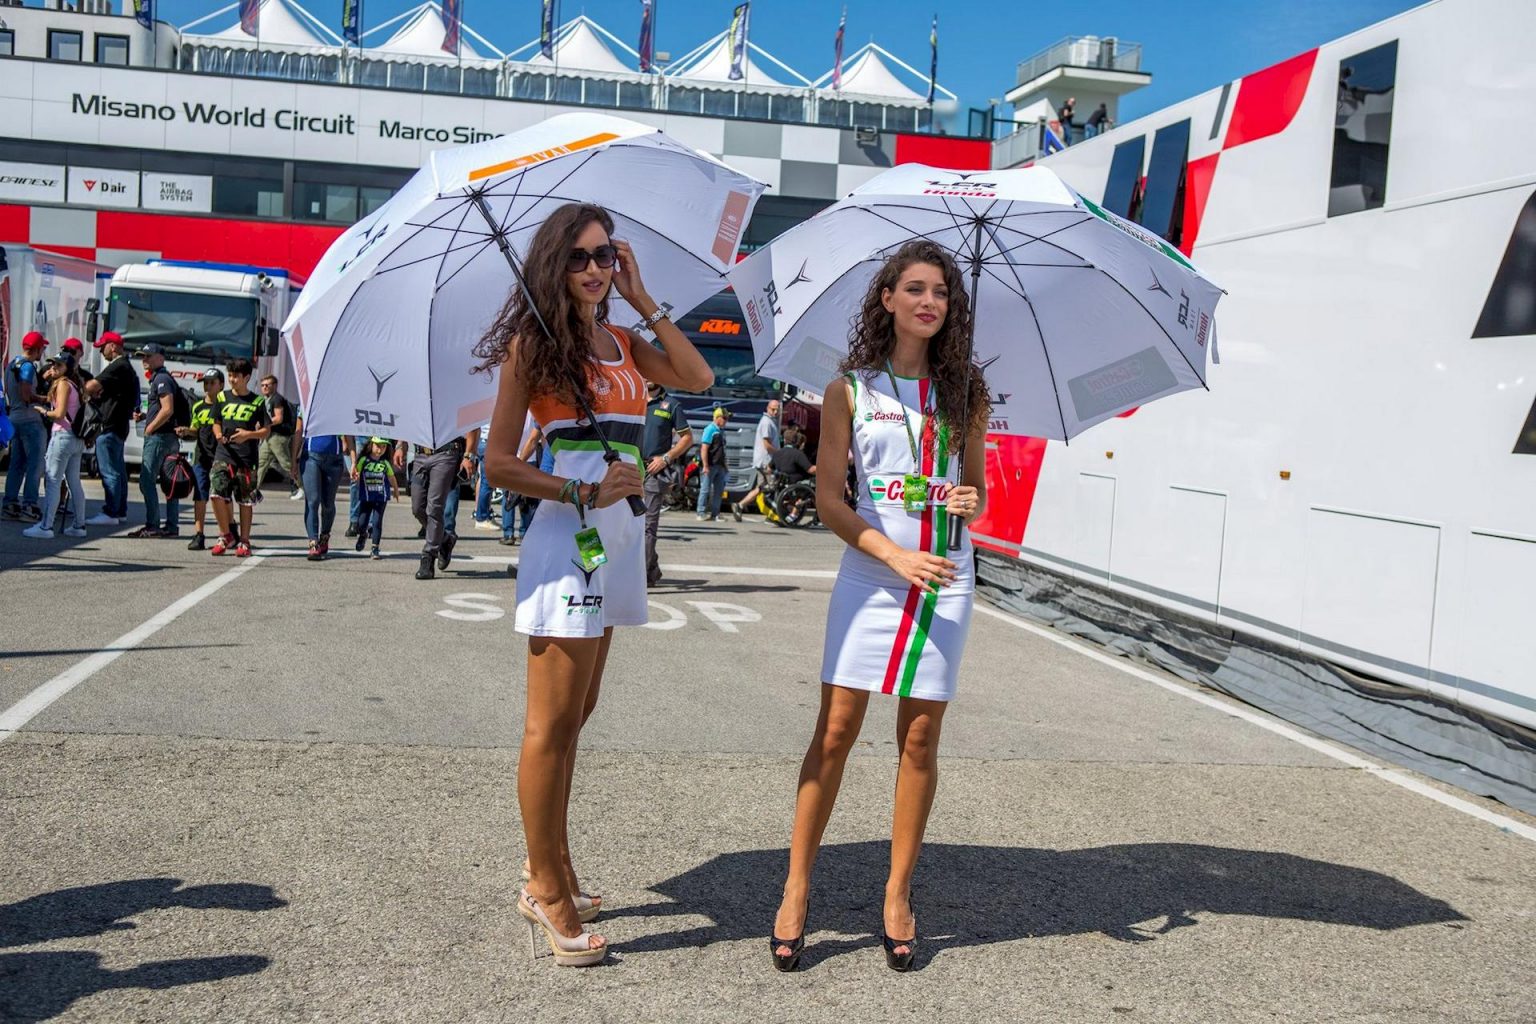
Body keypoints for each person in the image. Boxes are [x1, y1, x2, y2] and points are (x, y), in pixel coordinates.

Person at [477, 202, 713, 967]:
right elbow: (499, 465)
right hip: (567, 538)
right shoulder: (533, 346)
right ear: (554, 264)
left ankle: (557, 863)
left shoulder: (623, 340)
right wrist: (580, 492)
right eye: (580, 256)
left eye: (606, 255)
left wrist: (645, 300)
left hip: (614, 539)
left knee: (581, 713)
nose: (594, 268)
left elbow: (699, 375)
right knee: (549, 724)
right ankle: (543, 886)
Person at [769, 240, 989, 973]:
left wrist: (968, 499)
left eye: (943, 293)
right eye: (917, 289)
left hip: (947, 575)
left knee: (920, 740)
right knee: (834, 731)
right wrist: (893, 556)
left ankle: (897, 893)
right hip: (873, 572)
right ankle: (797, 884)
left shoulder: (967, 393)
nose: (931, 302)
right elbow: (830, 500)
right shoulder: (848, 390)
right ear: (888, 298)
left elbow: (978, 490)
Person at [22, 353, 90, 539]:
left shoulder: (62, 384)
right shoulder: (75, 384)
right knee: (74, 482)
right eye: (53, 364)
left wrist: (44, 412)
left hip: (62, 437)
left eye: (58, 365)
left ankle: (45, 527)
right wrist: (42, 398)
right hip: (76, 439)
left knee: (53, 481)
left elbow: (59, 413)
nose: (53, 368)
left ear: (66, 368)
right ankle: (79, 525)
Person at [208, 358, 271, 557]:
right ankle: (225, 534)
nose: (232, 380)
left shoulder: (257, 401)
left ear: (246, 377)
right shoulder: (222, 398)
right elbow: (216, 421)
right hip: (224, 454)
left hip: (246, 458)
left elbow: (266, 431)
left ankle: (244, 540)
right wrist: (218, 434)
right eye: (230, 376)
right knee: (216, 493)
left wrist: (248, 435)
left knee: (245, 501)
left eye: (236, 376)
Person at [402, 427, 478, 581]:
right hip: (420, 454)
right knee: (417, 508)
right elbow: (407, 420)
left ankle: (428, 556)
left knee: (434, 507)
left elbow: (473, 425)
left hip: (446, 454)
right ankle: (445, 539)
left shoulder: (454, 402)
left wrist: (469, 456)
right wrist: (400, 446)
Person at [129, 343, 187, 538]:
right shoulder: (161, 378)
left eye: (148, 356)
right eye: (142, 356)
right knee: (170, 482)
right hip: (167, 437)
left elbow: (167, 408)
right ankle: (171, 526)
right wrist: (146, 416)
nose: (144, 360)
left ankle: (153, 525)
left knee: (147, 481)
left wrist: (151, 427)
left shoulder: (161, 379)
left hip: (160, 438)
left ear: (161, 358)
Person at [640, 380, 692, 585]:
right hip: (627, 468)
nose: (648, 377)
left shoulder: (671, 405)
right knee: (626, 524)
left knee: (647, 525)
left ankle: (641, 577)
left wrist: (666, 459)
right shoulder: (632, 399)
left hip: (654, 471)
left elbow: (687, 438)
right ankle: (652, 569)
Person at [86, 330, 138, 526]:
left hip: (109, 425)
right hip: (119, 425)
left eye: (103, 347)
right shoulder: (128, 368)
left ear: (113, 346)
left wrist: (80, 391)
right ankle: (120, 510)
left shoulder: (118, 366)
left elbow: (92, 386)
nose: (101, 352)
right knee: (118, 470)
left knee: (109, 471)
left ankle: (111, 512)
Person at [2, 330, 49, 523]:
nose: (43, 352)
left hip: (14, 418)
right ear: (37, 349)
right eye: (42, 348)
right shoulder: (28, 367)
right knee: (35, 465)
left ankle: (9, 504)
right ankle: (30, 505)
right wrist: (45, 399)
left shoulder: (12, 364)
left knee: (16, 464)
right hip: (30, 419)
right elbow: (25, 394)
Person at [177, 368, 224, 550]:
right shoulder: (198, 406)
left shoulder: (225, 406)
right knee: (200, 496)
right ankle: (199, 534)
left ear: (221, 385)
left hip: (221, 456)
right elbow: (195, 429)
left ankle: (227, 531)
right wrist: (186, 431)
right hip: (201, 457)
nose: (208, 386)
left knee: (221, 496)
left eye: (212, 383)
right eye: (205, 383)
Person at [302, 428, 350, 561]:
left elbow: (349, 433)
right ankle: (313, 542)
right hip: (311, 456)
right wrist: (294, 459)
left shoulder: (339, 409)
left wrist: (353, 460)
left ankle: (324, 535)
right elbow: (298, 429)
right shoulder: (307, 407)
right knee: (313, 500)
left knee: (328, 504)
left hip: (334, 459)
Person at [732, 398, 781, 522]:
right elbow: (767, 444)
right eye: (773, 409)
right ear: (767, 408)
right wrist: (780, 453)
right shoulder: (767, 422)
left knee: (761, 488)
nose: (775, 412)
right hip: (766, 462)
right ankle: (774, 514)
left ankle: (740, 505)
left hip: (763, 460)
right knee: (773, 487)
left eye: (777, 410)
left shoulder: (769, 421)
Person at [255, 375, 302, 501]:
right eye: (263, 385)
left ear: (274, 386)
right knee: (261, 462)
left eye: (267, 385)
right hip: (269, 436)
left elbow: (278, 418)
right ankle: (253, 490)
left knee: (286, 463)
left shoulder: (277, 399)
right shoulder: (267, 399)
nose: (264, 387)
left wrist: (265, 423)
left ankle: (302, 487)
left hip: (278, 436)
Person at [351, 437, 397, 560]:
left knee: (377, 522)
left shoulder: (385, 463)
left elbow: (392, 477)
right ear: (371, 445)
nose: (380, 450)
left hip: (381, 497)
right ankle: (362, 535)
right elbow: (357, 472)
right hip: (366, 497)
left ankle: (375, 548)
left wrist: (396, 491)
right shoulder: (364, 460)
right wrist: (355, 475)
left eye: (383, 447)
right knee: (361, 522)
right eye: (378, 446)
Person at [695, 407, 730, 521]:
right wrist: (705, 465)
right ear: (717, 418)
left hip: (720, 465)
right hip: (710, 465)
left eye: (727, 418)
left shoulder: (721, 431)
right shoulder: (710, 429)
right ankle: (700, 512)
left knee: (719, 491)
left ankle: (715, 513)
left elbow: (722, 450)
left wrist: (725, 466)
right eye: (724, 418)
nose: (726, 420)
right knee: (705, 489)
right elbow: (704, 448)